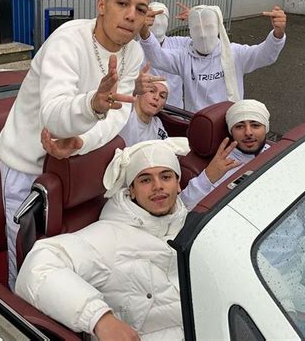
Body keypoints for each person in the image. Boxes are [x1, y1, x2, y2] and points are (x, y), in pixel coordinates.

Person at [0, 0, 151, 289]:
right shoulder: (68, 39)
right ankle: (16, 311)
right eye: (122, 3)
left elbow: (116, 117)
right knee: (24, 252)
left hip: (73, 163)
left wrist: (81, 140)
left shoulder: (133, 53)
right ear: (101, 5)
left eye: (140, 9)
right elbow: (53, 116)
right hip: (27, 163)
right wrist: (92, 106)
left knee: (64, 248)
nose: (131, 15)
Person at [15, 140, 189, 340]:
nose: (157, 186)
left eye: (165, 177)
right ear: (131, 190)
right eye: (145, 180)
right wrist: (99, 318)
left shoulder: (191, 222)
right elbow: (38, 267)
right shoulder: (110, 236)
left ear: (178, 184)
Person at [139, 4, 286, 113]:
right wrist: (145, 31)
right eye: (197, 28)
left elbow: (264, 55)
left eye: (209, 27)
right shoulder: (183, 56)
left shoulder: (233, 53)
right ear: (190, 31)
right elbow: (157, 57)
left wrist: (277, 33)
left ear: (218, 28)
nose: (203, 34)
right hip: (195, 122)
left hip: (228, 121)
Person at [181, 99, 271, 210]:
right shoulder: (222, 167)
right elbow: (182, 207)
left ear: (265, 129)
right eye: (239, 126)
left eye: (255, 125)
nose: (248, 132)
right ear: (231, 132)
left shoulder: (276, 151)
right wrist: (207, 178)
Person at [146, 2, 189, 108]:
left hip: (175, 109)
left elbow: (205, 41)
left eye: (163, 18)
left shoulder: (180, 43)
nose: (158, 23)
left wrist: (196, 18)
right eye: (154, 18)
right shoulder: (136, 48)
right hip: (147, 107)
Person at [119, 80, 169, 146]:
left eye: (162, 96)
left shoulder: (157, 125)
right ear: (139, 93)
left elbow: (166, 149)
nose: (156, 97)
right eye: (152, 91)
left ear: (163, 106)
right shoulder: (125, 112)